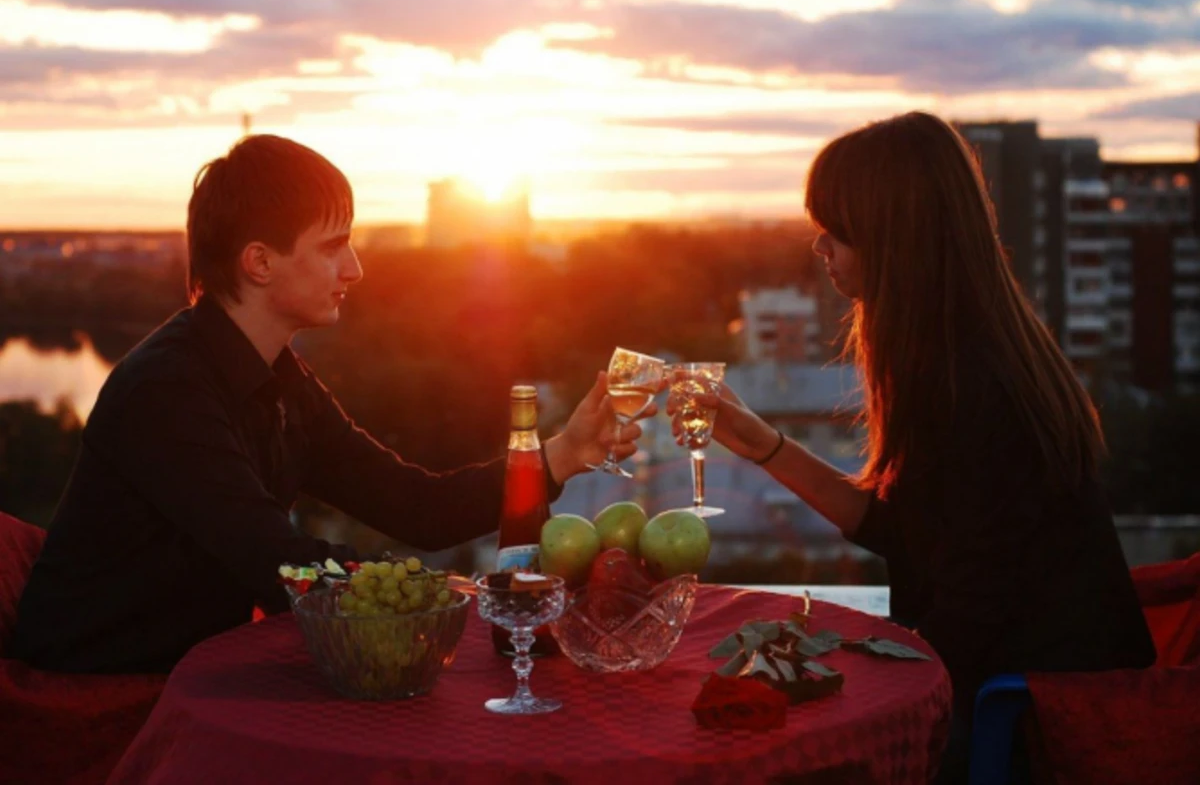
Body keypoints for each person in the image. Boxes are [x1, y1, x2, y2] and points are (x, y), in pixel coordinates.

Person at [11, 134, 645, 675]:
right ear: (259, 262)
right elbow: (278, 562)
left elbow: (416, 506)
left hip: (192, 665)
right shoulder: (166, 390)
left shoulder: (279, 378)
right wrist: (444, 594)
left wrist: (561, 453)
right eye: (332, 246)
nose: (356, 268)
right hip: (98, 683)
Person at [669, 112, 1154, 780]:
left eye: (834, 229)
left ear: (894, 238)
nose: (820, 248)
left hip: (1033, 725)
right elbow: (903, 532)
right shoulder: (955, 354)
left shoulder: (974, 386)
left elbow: (965, 617)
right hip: (1009, 693)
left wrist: (831, 674)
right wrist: (763, 444)